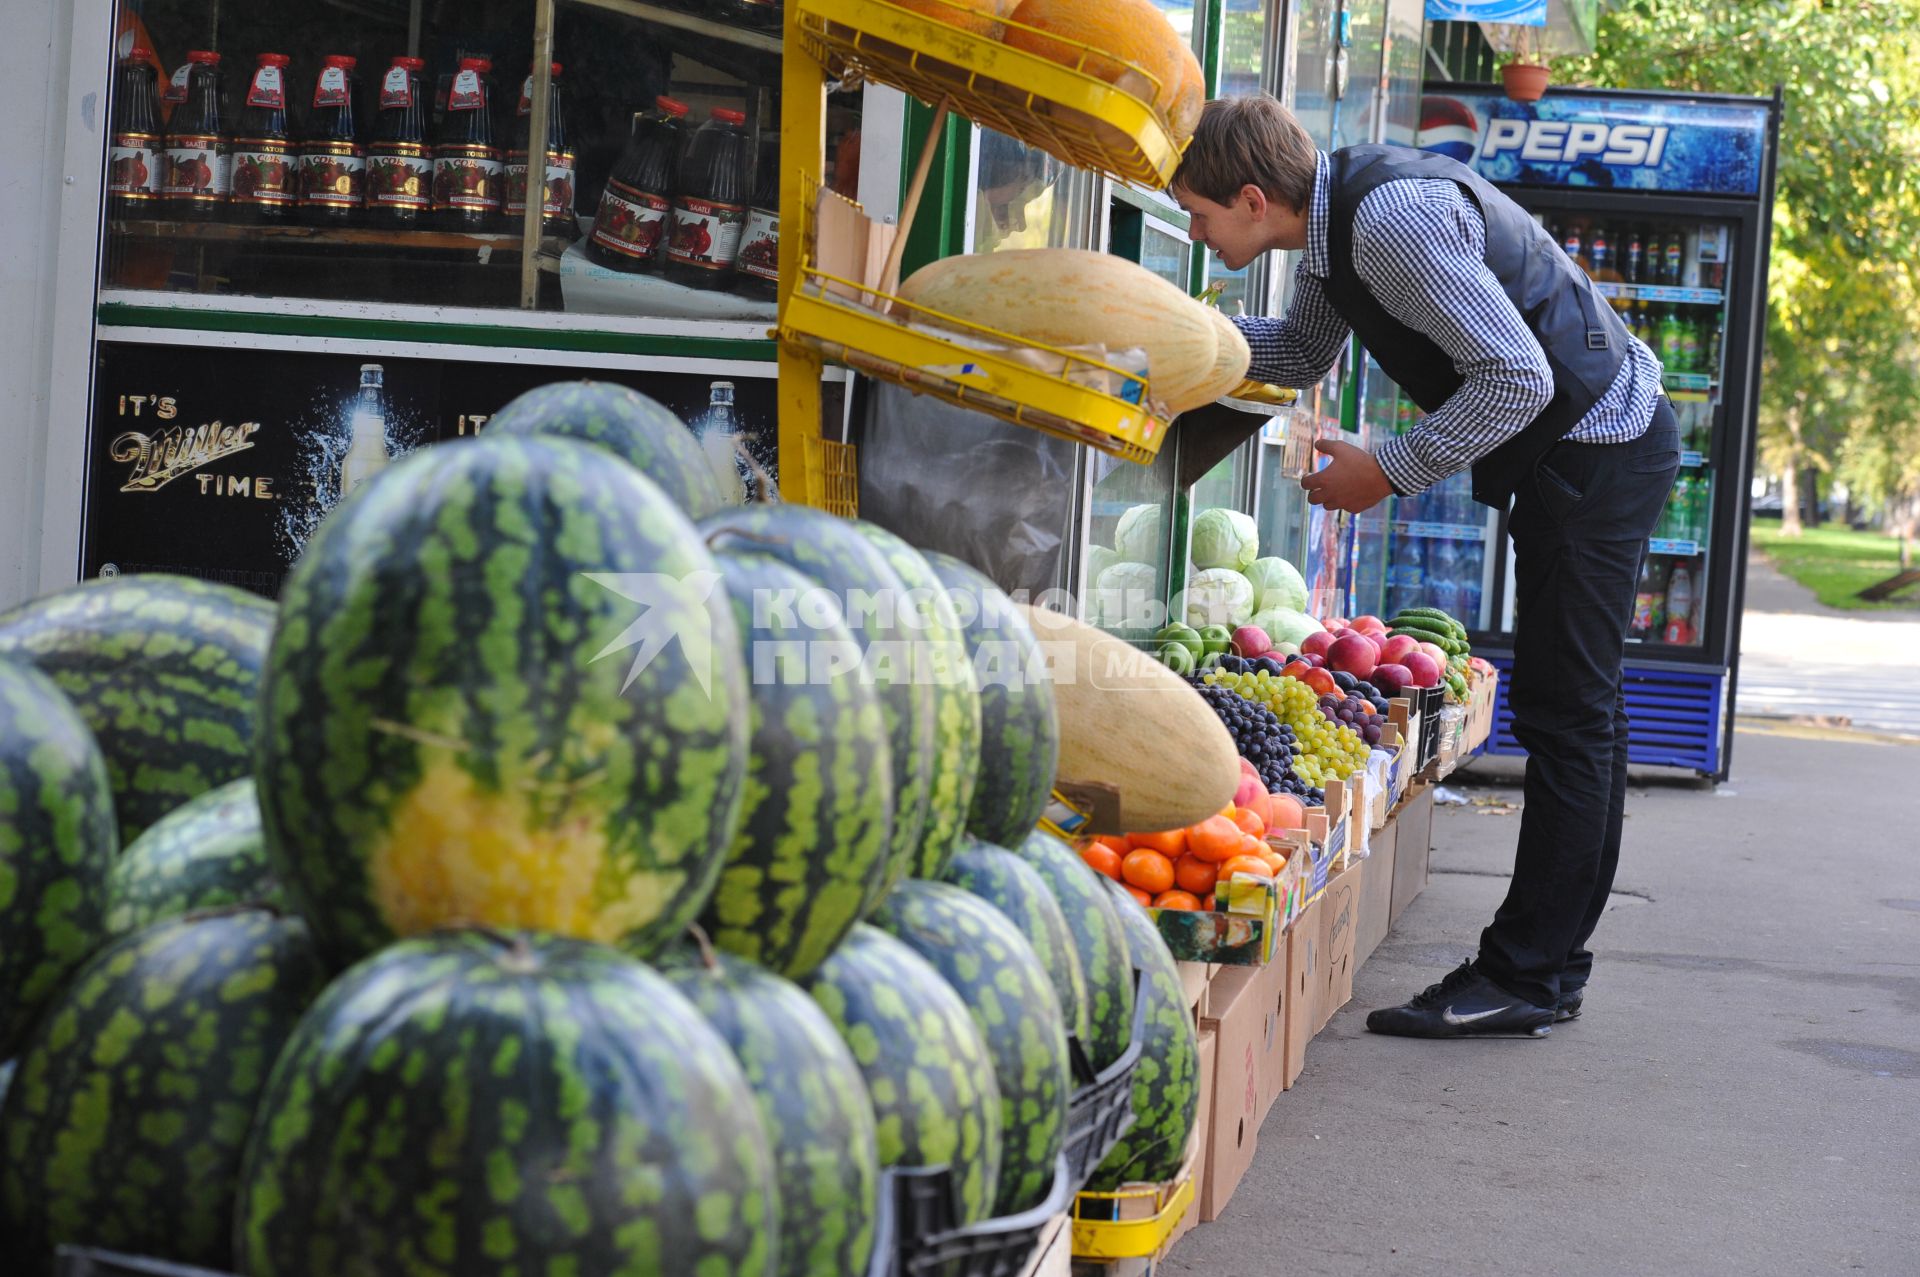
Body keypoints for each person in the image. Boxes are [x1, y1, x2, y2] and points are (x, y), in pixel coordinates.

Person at [1171, 95, 1679, 1039]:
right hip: (1594, 445)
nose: (1197, 236)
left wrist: (1387, 471)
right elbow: (1298, 349)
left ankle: (1526, 974)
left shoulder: (1388, 223)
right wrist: (1174, 349)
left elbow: (1517, 376)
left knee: (1571, 718)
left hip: (1598, 448)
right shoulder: (1333, 228)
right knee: (1582, 715)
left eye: (1199, 216)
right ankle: (1552, 966)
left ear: (1250, 198)